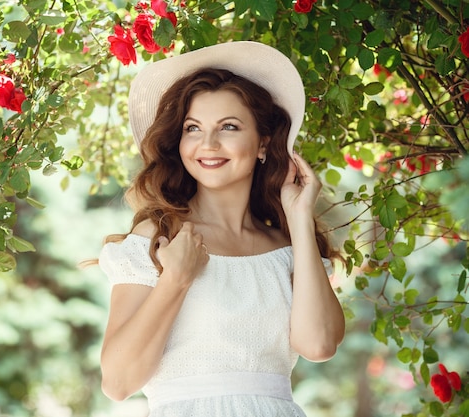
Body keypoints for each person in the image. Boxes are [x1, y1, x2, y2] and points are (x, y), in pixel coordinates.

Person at [97, 41, 345, 416]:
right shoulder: (158, 237)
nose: (208, 144)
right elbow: (117, 383)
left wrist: (298, 220)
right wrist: (176, 278)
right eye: (193, 128)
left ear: (263, 143)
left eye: (228, 126)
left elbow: (320, 345)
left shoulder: (286, 248)